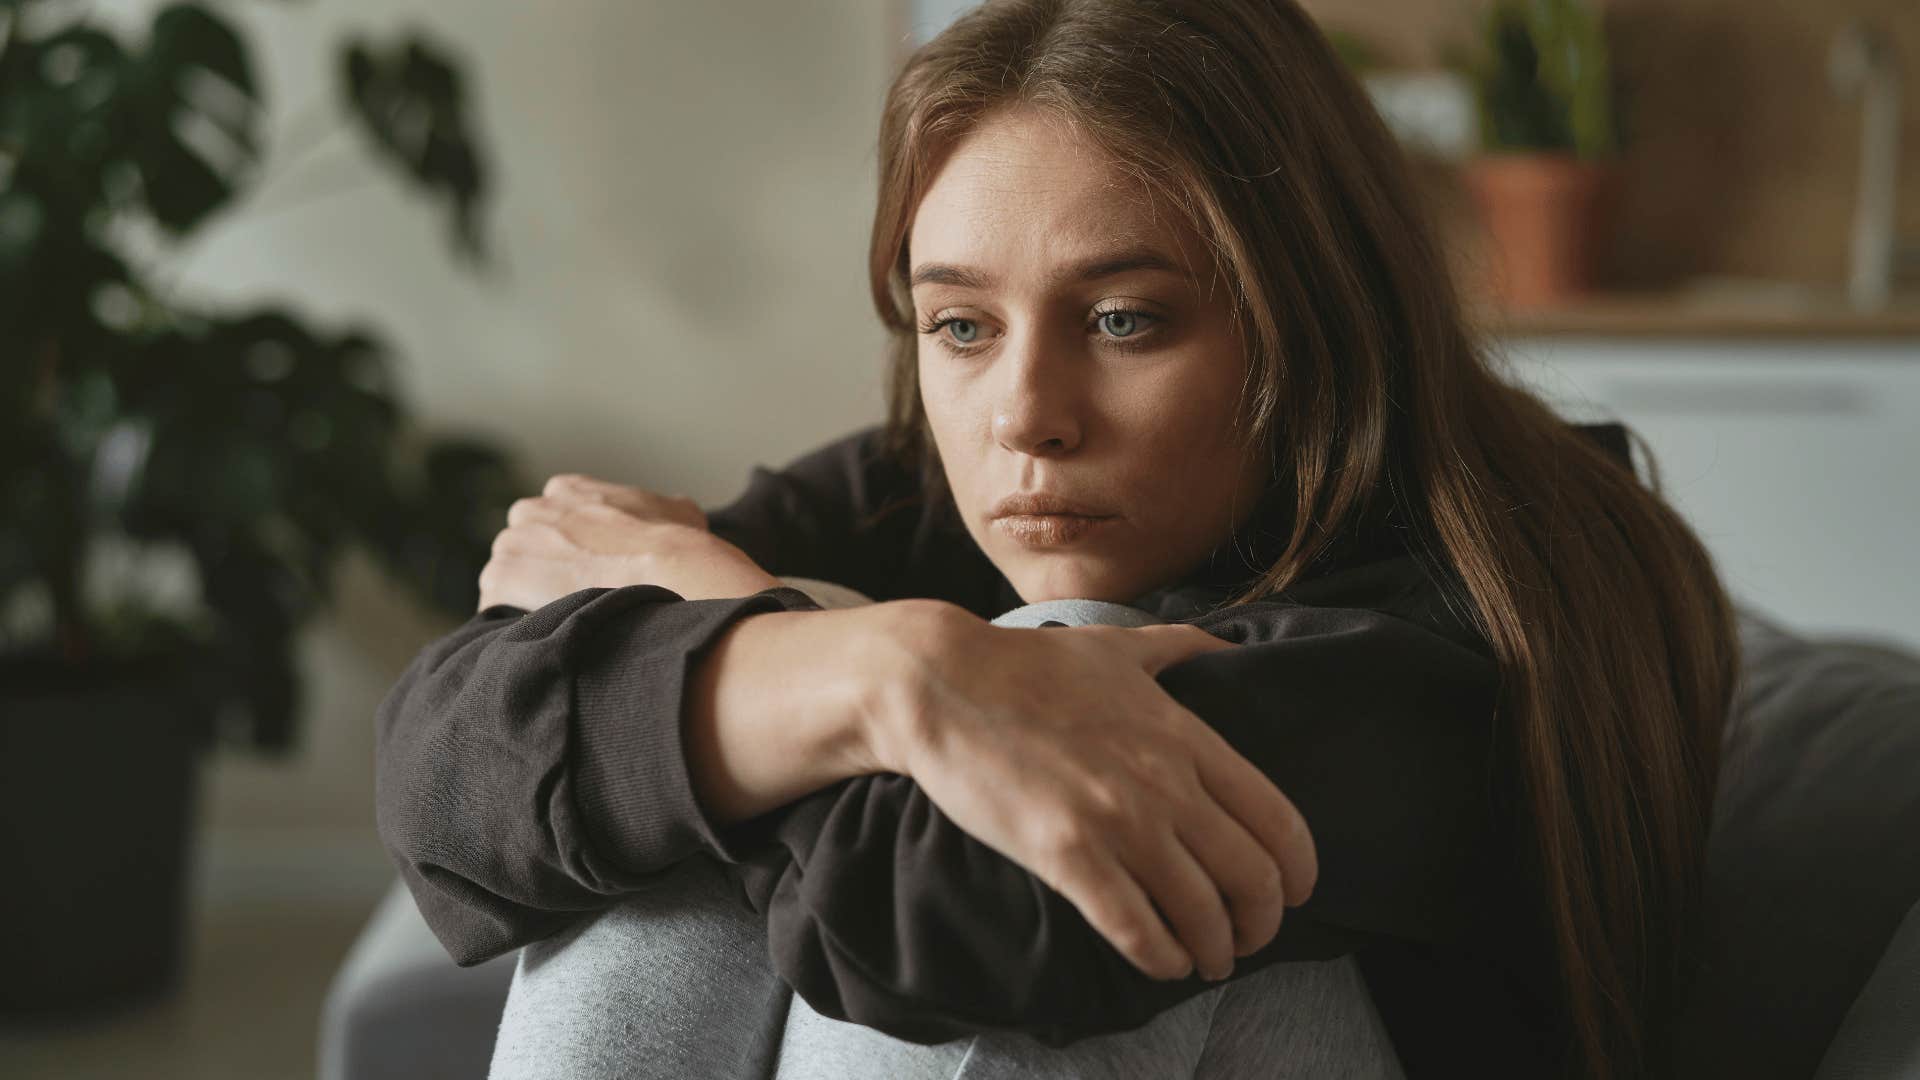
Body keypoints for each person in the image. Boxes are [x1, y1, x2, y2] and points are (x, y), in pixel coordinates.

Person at [373, 1, 1740, 1077]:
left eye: (1127, 319)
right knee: (672, 797)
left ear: (1312, 318)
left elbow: (963, 928)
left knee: (1051, 673)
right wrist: (871, 676)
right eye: (962, 325)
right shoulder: (939, 487)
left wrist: (831, 651)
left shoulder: (1466, 609)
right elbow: (447, 768)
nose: (1026, 415)